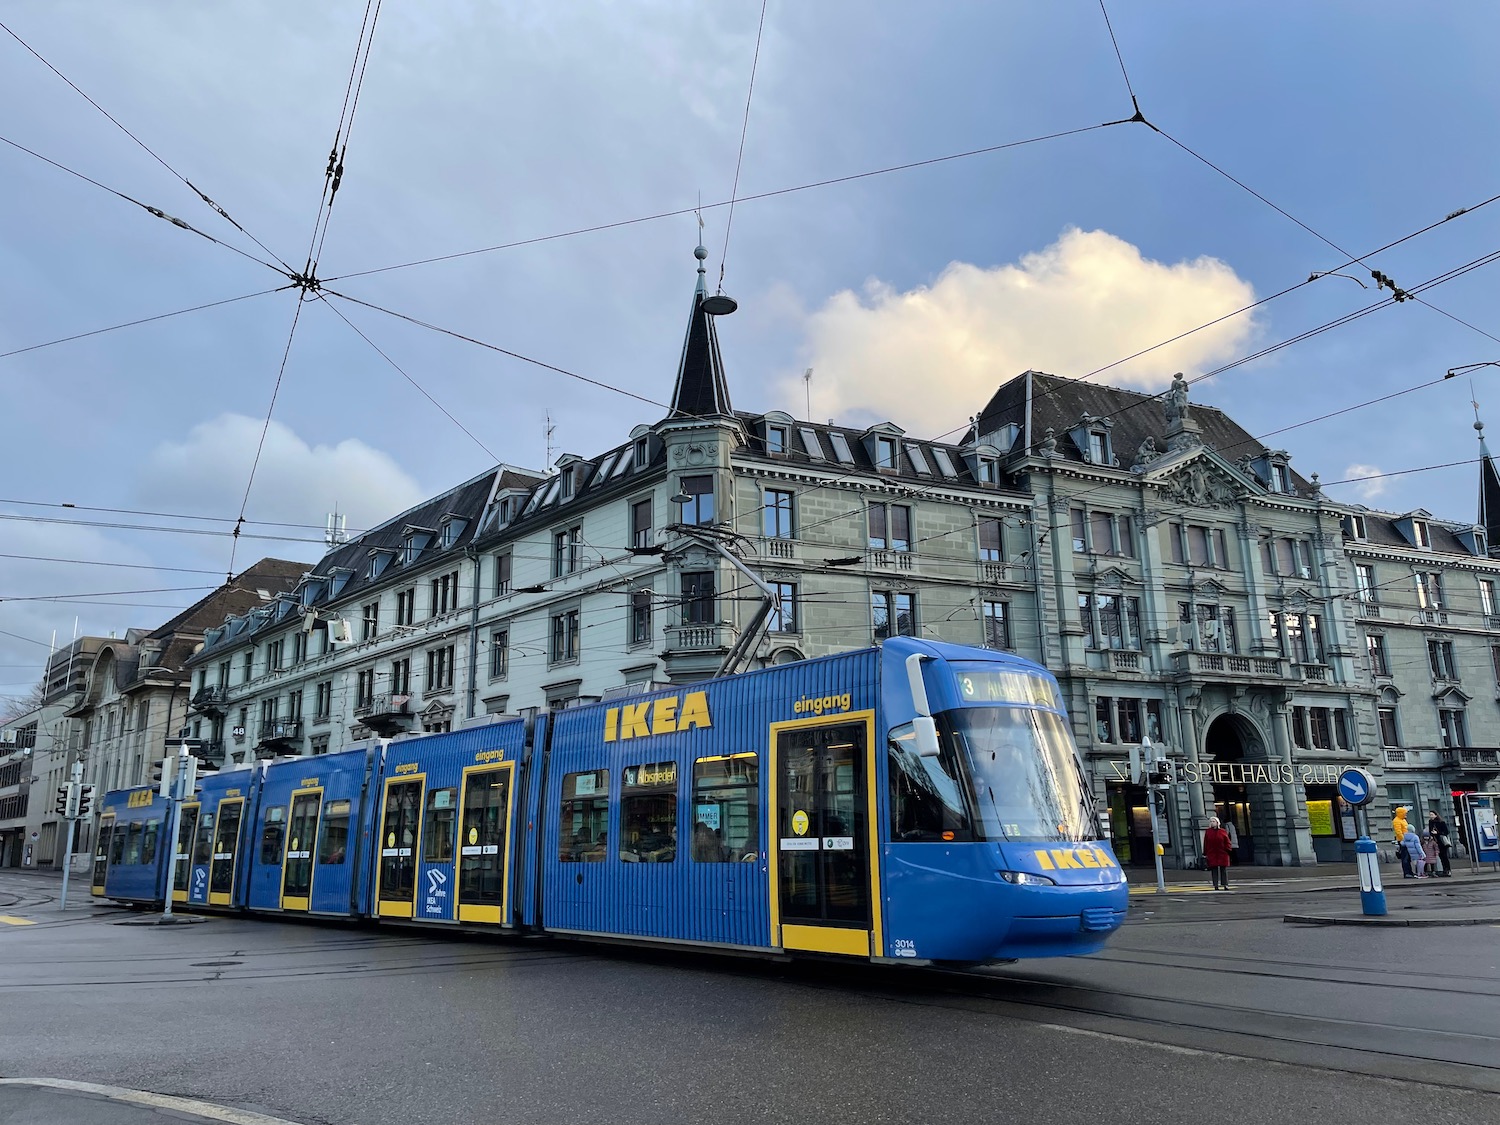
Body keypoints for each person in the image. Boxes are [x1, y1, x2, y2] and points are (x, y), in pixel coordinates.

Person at [1203, 817, 1232, 890]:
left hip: (1222, 853)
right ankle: (1215, 885)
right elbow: (1206, 842)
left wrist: (1228, 850)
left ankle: (1225, 884)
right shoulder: (1208, 832)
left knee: (1223, 870)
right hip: (1212, 853)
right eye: (1211, 821)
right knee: (1214, 869)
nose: (1212, 823)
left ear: (1217, 822)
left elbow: (1227, 841)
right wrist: (1205, 852)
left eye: (1213, 821)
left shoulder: (1222, 831)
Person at [1428, 810, 1453, 877]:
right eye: (1430, 815)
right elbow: (1430, 831)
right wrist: (1431, 834)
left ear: (1436, 815)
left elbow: (1446, 832)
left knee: (1444, 856)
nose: (1431, 816)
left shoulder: (1441, 822)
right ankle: (1443, 870)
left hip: (1442, 842)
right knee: (1440, 856)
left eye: (1432, 815)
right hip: (1435, 842)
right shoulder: (1430, 822)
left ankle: (1447, 870)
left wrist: (1437, 833)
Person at [1393, 806, 1412, 878]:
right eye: (1404, 813)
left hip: (1407, 840)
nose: (1406, 814)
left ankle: (1410, 871)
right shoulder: (1396, 821)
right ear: (1400, 813)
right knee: (1405, 857)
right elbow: (1398, 832)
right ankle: (1407, 873)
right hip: (1402, 842)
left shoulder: (1403, 820)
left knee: (1408, 858)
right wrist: (1404, 840)